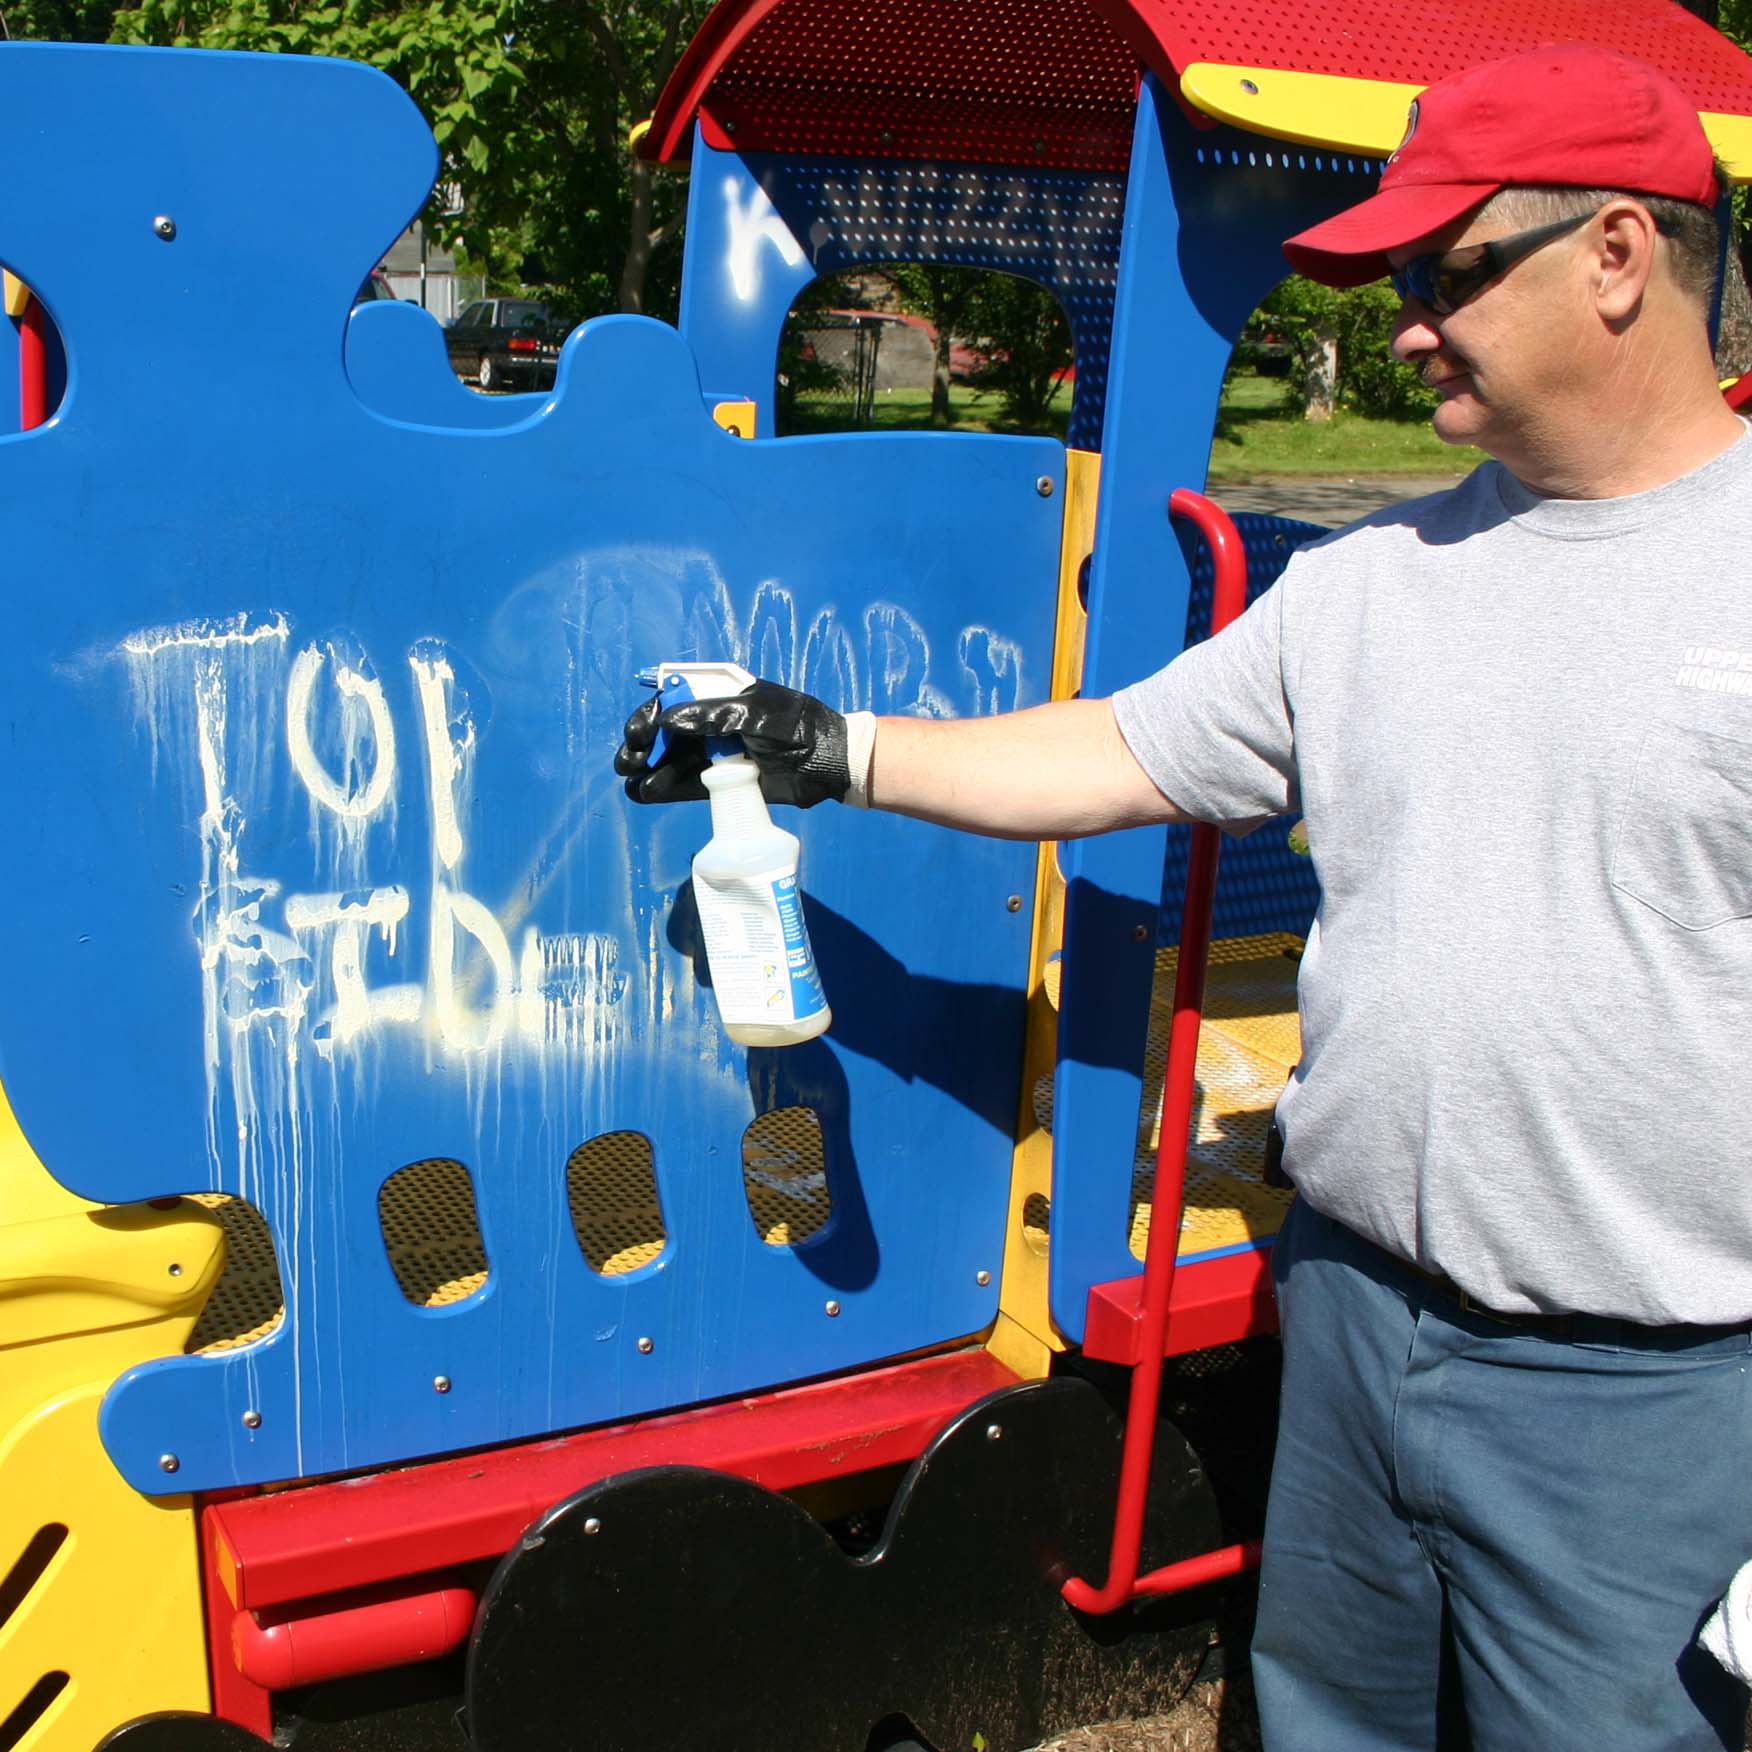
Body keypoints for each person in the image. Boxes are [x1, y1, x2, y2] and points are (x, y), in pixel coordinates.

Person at [618, 42, 1752, 1751]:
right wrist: (822, 743)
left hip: (1648, 1400)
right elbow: (1107, 756)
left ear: (1614, 258)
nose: (1402, 325)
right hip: (1355, 1325)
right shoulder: (1377, 587)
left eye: (1443, 275)